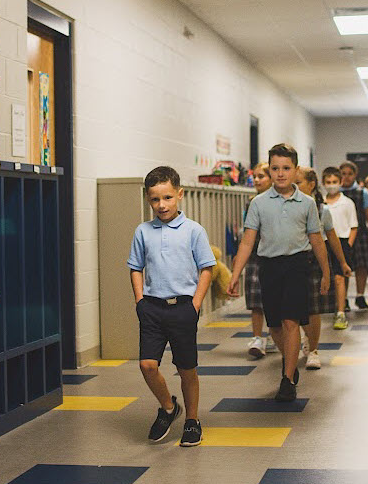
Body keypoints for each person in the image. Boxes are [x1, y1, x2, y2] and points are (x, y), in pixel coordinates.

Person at [227, 144, 330, 402]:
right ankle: (290, 360)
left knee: (291, 321)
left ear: (296, 171)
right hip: (269, 266)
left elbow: (317, 240)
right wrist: (235, 273)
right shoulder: (258, 203)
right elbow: (248, 242)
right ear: (269, 170)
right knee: (274, 325)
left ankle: (287, 378)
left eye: (286, 168)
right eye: (275, 168)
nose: (280, 173)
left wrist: (326, 272)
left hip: (297, 266)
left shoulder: (307, 204)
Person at [127, 166, 216, 447]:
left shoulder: (194, 231)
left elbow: (206, 269)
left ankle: (192, 421)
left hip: (183, 308)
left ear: (179, 194)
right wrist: (140, 300)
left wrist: (196, 304)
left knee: (186, 368)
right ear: (148, 200)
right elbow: (135, 267)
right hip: (151, 308)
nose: (161, 205)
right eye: (155, 200)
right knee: (147, 365)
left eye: (167, 198)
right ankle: (168, 407)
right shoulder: (143, 231)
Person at [296, 167, 351, 369]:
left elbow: (333, 239)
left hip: (313, 261)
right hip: (292, 261)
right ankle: (305, 337)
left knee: (313, 309)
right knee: (296, 308)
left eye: (299, 182)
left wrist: (342, 263)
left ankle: (313, 349)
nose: (295, 187)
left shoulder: (322, 210)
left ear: (311, 185)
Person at [243, 162, 276, 359]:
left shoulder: (275, 201)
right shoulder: (251, 201)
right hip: (254, 254)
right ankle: (257, 337)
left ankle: (273, 335)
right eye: (254, 176)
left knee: (273, 300)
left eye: (261, 176)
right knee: (256, 300)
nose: (256, 180)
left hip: (271, 254)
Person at [339, 161, 368, 311]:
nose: (346, 177)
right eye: (343, 174)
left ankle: (360, 295)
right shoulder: (337, 192)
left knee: (362, 265)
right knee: (345, 266)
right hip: (342, 234)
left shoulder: (363, 192)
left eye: (350, 174)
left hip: (360, 233)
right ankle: (344, 299)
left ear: (355, 175)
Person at [323, 166, 358, 329]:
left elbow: (354, 226)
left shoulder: (347, 203)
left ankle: (341, 312)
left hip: (343, 241)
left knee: (339, 277)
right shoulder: (320, 203)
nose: (331, 185)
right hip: (323, 242)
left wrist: (349, 245)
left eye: (334, 182)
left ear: (340, 182)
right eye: (328, 182)